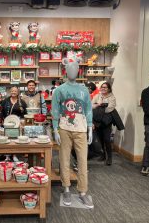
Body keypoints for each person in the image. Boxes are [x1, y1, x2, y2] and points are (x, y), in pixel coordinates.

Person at [52, 59, 93, 209]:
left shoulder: (84, 90)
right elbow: (55, 110)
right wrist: (55, 128)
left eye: (75, 69)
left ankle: (83, 191)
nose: (72, 72)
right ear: (65, 71)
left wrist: (89, 127)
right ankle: (67, 188)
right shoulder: (59, 90)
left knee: (82, 161)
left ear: (78, 71)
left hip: (81, 129)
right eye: (69, 69)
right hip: (64, 128)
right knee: (64, 159)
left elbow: (88, 109)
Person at [92, 82, 116, 165]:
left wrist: (99, 107)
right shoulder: (97, 96)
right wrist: (101, 106)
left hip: (106, 121)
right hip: (98, 121)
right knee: (100, 139)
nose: (103, 88)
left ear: (109, 89)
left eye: (105, 87)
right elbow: (92, 105)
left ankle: (109, 158)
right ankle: (103, 155)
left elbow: (110, 108)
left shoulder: (112, 97)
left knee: (107, 139)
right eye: (102, 87)